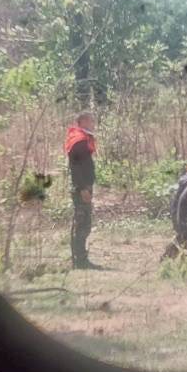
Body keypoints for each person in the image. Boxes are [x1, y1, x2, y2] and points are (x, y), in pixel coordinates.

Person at [64, 111, 102, 270]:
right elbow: (76, 168)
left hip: (84, 187)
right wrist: (82, 189)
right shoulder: (79, 141)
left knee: (83, 224)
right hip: (81, 189)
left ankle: (80, 259)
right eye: (91, 121)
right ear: (83, 122)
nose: (93, 124)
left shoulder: (83, 139)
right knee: (82, 224)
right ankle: (79, 260)